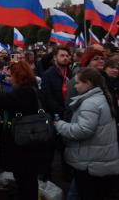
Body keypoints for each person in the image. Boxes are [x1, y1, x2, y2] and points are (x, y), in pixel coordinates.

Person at [0, 61, 52, 200]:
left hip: (26, 146)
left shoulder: (24, 92)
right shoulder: (34, 90)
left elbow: (4, 99)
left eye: (11, 75)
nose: (9, 78)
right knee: (28, 180)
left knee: (26, 181)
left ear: (18, 76)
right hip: (36, 143)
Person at [55, 67, 119, 200]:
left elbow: (83, 131)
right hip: (98, 159)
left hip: (90, 162)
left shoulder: (90, 103)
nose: (75, 86)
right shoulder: (101, 97)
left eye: (78, 83)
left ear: (88, 83)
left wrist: (60, 125)